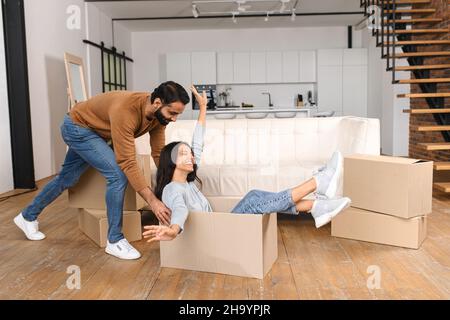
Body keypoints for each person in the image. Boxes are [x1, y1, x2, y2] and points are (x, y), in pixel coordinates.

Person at [143, 86, 351, 243]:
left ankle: (317, 206)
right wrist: (173, 229)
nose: (190, 157)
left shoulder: (186, 181)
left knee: (255, 196)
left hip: (219, 227)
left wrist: (204, 107)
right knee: (253, 201)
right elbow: (179, 210)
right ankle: (319, 183)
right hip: (216, 235)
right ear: (170, 162)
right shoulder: (172, 189)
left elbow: (198, 141)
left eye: (190, 154)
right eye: (183, 154)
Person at [14, 81, 190, 260]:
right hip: (77, 127)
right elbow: (127, 162)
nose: (174, 118)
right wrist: (153, 201)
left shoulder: (160, 118)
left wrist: (173, 184)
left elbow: (159, 154)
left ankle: (27, 216)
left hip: (97, 132)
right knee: (117, 175)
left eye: (178, 114)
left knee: (67, 178)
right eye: (173, 113)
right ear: (158, 103)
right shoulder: (126, 110)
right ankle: (114, 240)